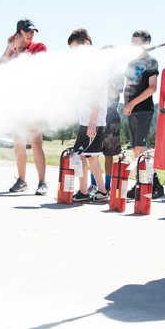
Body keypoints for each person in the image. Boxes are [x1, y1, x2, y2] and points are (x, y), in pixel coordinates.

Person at [0, 19, 48, 196]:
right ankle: (21, 180)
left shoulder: (39, 47)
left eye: (33, 31)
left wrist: (19, 49)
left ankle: (42, 182)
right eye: (27, 31)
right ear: (19, 32)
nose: (31, 34)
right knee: (19, 143)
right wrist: (8, 47)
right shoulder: (12, 50)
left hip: (34, 103)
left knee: (36, 142)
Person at [67, 29, 108, 203]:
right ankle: (102, 192)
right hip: (87, 120)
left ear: (87, 44)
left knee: (80, 155)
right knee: (92, 157)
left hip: (92, 121)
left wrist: (92, 122)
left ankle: (83, 192)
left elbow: (97, 96)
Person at [123, 30, 162, 200]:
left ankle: (154, 185)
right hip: (131, 109)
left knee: (141, 148)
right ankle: (142, 182)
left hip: (144, 109)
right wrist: (126, 103)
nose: (134, 45)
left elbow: (152, 88)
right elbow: (127, 86)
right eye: (133, 42)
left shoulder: (152, 62)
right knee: (135, 149)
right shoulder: (131, 63)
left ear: (146, 43)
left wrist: (133, 103)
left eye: (137, 42)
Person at [101, 45, 125, 192]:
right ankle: (95, 183)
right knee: (93, 154)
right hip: (96, 116)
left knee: (108, 154)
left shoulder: (118, 74)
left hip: (111, 117)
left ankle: (108, 185)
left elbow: (117, 91)